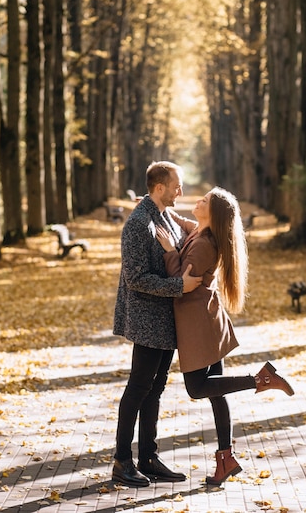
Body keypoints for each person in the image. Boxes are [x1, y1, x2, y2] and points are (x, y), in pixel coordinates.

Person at [156, 186, 294, 486]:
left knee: (196, 388)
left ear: (213, 213)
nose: (198, 200)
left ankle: (261, 380)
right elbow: (189, 225)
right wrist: (165, 212)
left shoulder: (205, 244)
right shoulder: (201, 232)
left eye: (204, 200)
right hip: (207, 319)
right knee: (216, 394)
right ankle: (226, 460)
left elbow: (181, 280)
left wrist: (169, 251)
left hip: (198, 324)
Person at [112, 161, 203, 488]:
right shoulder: (138, 224)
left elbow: (191, 236)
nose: (181, 191)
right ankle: (122, 461)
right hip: (147, 318)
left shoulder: (163, 214)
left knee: (157, 387)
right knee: (139, 387)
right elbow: (135, 279)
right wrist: (180, 287)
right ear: (160, 187)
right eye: (177, 185)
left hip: (166, 319)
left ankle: (148, 457)